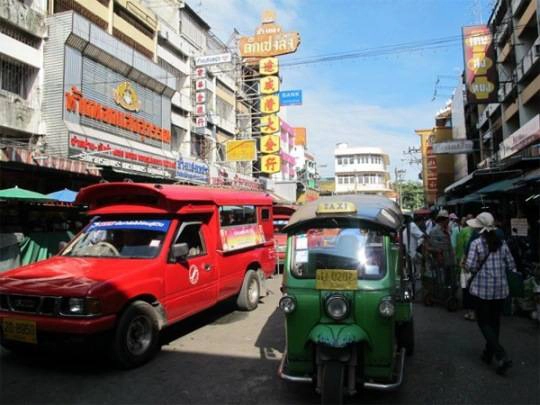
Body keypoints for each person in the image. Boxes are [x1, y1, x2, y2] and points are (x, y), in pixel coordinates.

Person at [464, 212, 516, 375]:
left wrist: (468, 264)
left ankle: (501, 355)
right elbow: (511, 264)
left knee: (483, 322)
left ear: (479, 228)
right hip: (500, 289)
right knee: (495, 322)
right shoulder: (502, 243)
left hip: (482, 290)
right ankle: (488, 353)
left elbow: (470, 266)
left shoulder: (477, 244)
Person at [428, 209, 455, 289]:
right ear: (443, 219)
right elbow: (432, 246)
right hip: (440, 261)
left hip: (449, 259)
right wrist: (438, 253)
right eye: (448, 219)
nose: (449, 221)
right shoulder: (434, 231)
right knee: (441, 282)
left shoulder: (447, 229)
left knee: (449, 281)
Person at [456, 214, 475, 321]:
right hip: (477, 265)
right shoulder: (481, 231)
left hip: (466, 262)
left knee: (465, 286)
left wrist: (459, 260)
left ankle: (469, 309)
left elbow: (459, 248)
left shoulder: (463, 231)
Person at [402, 214, 425, 279]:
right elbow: (421, 235)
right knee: (418, 260)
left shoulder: (409, 226)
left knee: (416, 260)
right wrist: (427, 237)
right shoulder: (413, 225)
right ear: (420, 221)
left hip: (408, 248)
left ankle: (414, 274)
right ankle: (416, 275)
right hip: (410, 249)